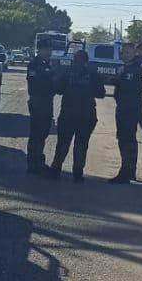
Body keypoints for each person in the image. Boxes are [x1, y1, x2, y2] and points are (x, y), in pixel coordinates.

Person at [47, 49, 106, 182]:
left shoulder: (67, 72)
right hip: (87, 115)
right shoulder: (92, 74)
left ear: (74, 60)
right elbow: (101, 93)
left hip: (68, 113)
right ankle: (77, 174)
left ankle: (56, 170)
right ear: (87, 61)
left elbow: (58, 89)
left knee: (63, 143)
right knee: (81, 145)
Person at [109, 43, 142, 184]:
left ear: (134, 53)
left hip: (128, 109)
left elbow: (130, 87)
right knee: (128, 139)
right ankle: (130, 171)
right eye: (123, 53)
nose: (124, 55)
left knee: (126, 140)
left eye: (128, 53)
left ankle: (125, 172)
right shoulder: (128, 67)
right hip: (126, 107)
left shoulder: (133, 68)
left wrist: (118, 81)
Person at [26, 39, 56, 173]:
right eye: (47, 49)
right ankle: (33, 163)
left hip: (47, 102)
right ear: (40, 50)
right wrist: (50, 80)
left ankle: (39, 160)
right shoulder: (34, 64)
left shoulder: (48, 64)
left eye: (50, 49)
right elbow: (33, 84)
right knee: (36, 133)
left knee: (43, 132)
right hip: (38, 102)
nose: (50, 52)